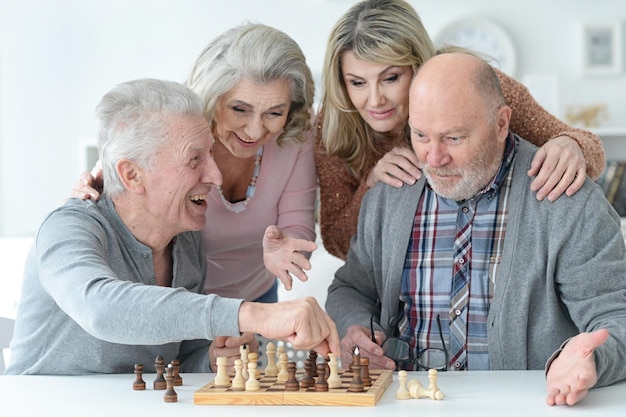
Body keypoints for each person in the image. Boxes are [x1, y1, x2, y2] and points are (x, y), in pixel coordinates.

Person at [325, 52, 626, 406]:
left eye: (453, 139)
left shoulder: (566, 198)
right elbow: (351, 288)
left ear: (501, 123)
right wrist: (355, 327)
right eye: (421, 135)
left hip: (527, 408)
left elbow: (616, 318)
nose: (433, 159)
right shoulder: (391, 192)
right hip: (404, 405)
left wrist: (591, 358)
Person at [5, 78, 339, 375]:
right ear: (132, 175)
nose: (216, 176)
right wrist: (251, 314)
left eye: (211, 154)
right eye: (195, 159)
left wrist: (211, 359)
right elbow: (100, 309)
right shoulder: (69, 229)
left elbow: (172, 363)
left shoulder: (187, 239)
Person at [314, 0, 606, 260]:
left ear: (417, 65)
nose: (375, 100)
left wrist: (572, 145)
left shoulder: (472, 86)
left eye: (390, 78)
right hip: (403, 277)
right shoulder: (333, 123)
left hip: (498, 252)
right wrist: (371, 184)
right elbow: (337, 243)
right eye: (357, 83)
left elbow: (589, 149)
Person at [73, 23, 318, 304]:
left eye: (274, 112)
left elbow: (298, 224)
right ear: (212, 97)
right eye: (239, 109)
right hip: (181, 303)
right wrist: (90, 197)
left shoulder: (296, 132)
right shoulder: (175, 129)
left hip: (256, 297)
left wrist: (289, 251)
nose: (254, 131)